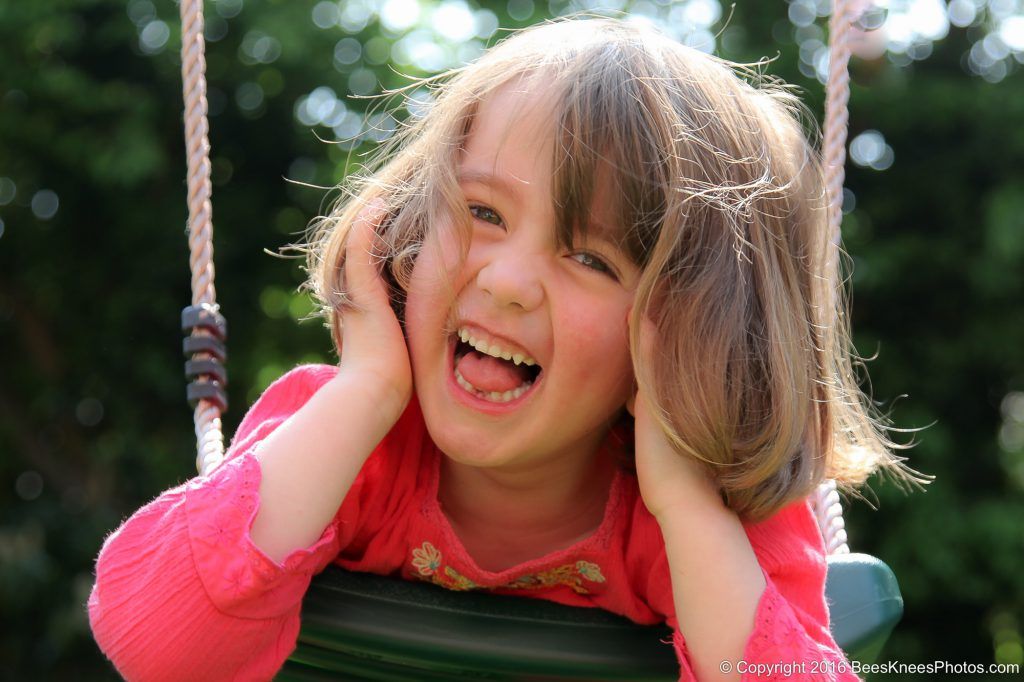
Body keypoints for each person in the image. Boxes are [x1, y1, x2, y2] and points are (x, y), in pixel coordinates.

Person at [88, 17, 925, 681]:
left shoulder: (716, 516)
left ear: (697, 330)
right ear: (406, 230)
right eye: (483, 213)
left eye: (591, 257)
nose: (509, 281)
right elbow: (153, 643)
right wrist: (373, 384)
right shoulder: (345, 440)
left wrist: (683, 502)